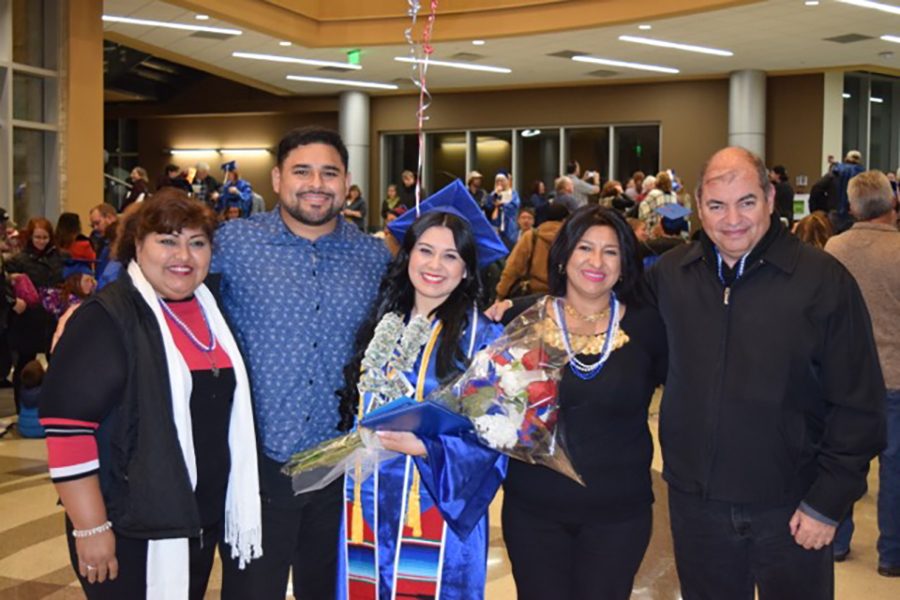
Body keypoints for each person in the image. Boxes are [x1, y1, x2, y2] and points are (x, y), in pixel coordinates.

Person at [646, 146, 885, 600]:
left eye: (746, 202)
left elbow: (859, 403)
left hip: (792, 508)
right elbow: (605, 322)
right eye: (717, 205)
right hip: (698, 508)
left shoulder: (822, 280)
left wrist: (828, 502)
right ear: (699, 207)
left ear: (771, 200)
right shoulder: (673, 277)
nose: (732, 218)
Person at [38, 190, 262, 599]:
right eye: (167, 240)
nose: (184, 255)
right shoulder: (106, 318)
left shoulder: (213, 311)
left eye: (197, 242)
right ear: (137, 246)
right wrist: (90, 527)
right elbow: (68, 430)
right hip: (127, 529)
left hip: (193, 524)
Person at [212, 126, 390, 600]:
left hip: (341, 466)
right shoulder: (234, 243)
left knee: (332, 590)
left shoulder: (373, 257)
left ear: (347, 181)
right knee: (252, 591)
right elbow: (169, 281)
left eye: (329, 172)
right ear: (276, 178)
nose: (316, 183)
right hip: (257, 463)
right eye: (302, 171)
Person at [335, 187, 509, 599]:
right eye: (425, 251)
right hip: (365, 504)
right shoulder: (381, 324)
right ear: (407, 256)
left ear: (468, 269)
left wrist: (427, 447)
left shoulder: (482, 339)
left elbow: (497, 441)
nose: (435, 265)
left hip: (435, 508)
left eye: (451, 256)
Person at [496, 205, 666, 600]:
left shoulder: (648, 325)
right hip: (533, 512)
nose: (596, 261)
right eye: (585, 248)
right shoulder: (523, 318)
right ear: (564, 257)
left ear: (624, 264)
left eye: (610, 251)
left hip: (618, 514)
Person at [824, 170, 900, 576]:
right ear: (893, 202)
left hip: (846, 377)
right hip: (896, 377)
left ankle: (836, 541)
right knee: (896, 472)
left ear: (852, 207)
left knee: (843, 462)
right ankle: (892, 555)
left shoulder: (835, 248)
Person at [5, 217, 64, 411]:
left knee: (56, 362)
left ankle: (54, 407)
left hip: (51, 318)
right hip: (27, 320)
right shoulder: (18, 261)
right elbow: (6, 287)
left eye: (45, 237)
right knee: (23, 364)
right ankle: (21, 408)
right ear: (30, 237)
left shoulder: (60, 257)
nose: (41, 241)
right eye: (37, 237)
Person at [495, 203, 568, 300]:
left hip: (531, 296)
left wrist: (501, 293)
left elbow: (512, 268)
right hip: (560, 297)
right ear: (564, 220)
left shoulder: (531, 236)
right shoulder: (571, 240)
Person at [56, 212, 97, 276]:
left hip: (59, 275)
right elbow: (93, 260)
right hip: (80, 277)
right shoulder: (84, 243)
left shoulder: (54, 242)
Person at [488, 170, 521, 248]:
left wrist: (502, 204)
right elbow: (488, 206)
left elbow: (515, 205)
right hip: (496, 226)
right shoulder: (493, 194)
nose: (500, 183)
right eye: (498, 181)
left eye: (502, 180)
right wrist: (495, 195)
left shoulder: (513, 193)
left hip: (510, 226)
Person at [89, 204, 118, 279]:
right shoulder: (96, 239)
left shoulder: (121, 240)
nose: (95, 228)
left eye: (97, 223)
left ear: (110, 218)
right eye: (92, 225)